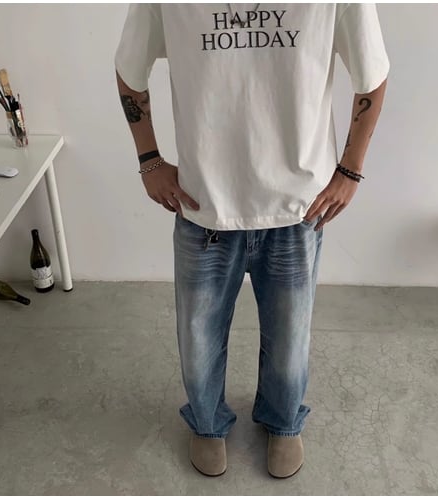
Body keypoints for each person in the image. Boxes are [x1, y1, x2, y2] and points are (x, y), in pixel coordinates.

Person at [115, 3, 389, 479]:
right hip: (205, 203)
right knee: (198, 340)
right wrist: (149, 160)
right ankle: (206, 422)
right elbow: (128, 69)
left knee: (290, 340)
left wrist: (350, 170)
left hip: (297, 206)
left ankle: (283, 421)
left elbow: (373, 75)